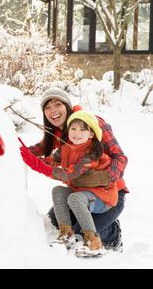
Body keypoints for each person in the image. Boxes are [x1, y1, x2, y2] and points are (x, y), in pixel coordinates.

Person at [26, 87, 129, 252]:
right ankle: (73, 231)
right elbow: (40, 150)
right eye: (47, 107)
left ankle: (112, 232)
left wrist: (106, 177)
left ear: (67, 105)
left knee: (82, 235)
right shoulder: (60, 132)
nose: (53, 111)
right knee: (53, 224)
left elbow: (120, 157)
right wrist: (10, 147)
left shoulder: (91, 124)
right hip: (79, 192)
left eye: (57, 104)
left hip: (109, 193)